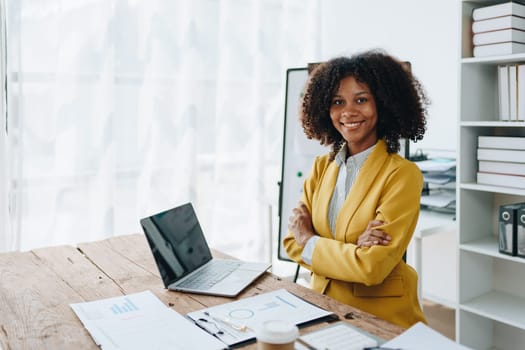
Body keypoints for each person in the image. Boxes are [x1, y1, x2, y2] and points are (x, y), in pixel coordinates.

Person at [282, 49, 429, 328]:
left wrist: (310, 240)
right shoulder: (321, 167)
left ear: (383, 105)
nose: (348, 112)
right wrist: (352, 251)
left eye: (361, 99)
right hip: (322, 307)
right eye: (338, 101)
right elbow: (291, 241)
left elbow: (372, 268)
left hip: (380, 317)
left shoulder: (402, 175)